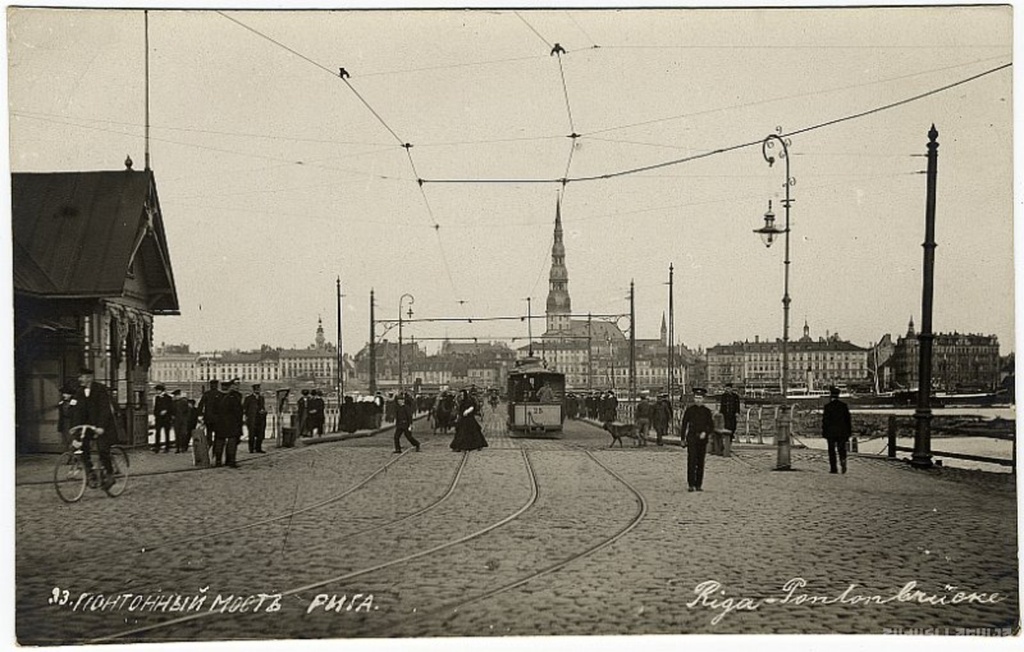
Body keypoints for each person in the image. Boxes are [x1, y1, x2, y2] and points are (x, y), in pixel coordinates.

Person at [68, 367, 116, 489]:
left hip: (103, 426)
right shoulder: (79, 392)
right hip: (87, 426)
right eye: (80, 377)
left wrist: (101, 427)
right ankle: (90, 473)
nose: (80, 379)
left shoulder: (100, 390)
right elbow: (75, 412)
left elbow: (105, 410)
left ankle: (110, 474)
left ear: (90, 378)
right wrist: (75, 429)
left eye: (82, 377)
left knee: (103, 450)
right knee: (81, 448)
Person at [680, 388, 714, 492]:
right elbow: (684, 424)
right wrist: (682, 439)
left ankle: (698, 484)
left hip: (702, 439)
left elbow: (711, 425)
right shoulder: (690, 410)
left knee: (700, 462)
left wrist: (706, 432)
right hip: (692, 438)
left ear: (703, 399)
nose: (698, 400)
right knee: (691, 461)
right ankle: (691, 484)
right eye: (696, 398)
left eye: (700, 398)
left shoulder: (707, 411)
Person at [822, 386, 853, 474]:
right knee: (842, 449)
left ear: (831, 395)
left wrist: (824, 432)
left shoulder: (828, 407)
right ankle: (843, 461)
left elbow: (825, 421)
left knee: (831, 450)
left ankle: (833, 468)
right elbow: (848, 420)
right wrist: (849, 432)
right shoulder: (844, 406)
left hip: (831, 432)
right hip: (842, 432)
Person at [213, 380, 243, 468]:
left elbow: (212, 410)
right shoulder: (234, 397)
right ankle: (231, 461)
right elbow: (238, 411)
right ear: (230, 387)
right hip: (232, 423)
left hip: (219, 423)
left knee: (219, 441)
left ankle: (218, 461)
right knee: (232, 442)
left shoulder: (216, 397)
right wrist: (239, 423)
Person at [197, 379, 221, 458]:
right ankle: (214, 452)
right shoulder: (219, 394)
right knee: (217, 436)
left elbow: (200, 405)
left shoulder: (206, 394)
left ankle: (209, 451)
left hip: (208, 418)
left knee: (209, 435)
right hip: (217, 419)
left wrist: (200, 415)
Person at [243, 384, 268, 453]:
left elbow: (262, 407)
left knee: (260, 434)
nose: (258, 390)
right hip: (252, 419)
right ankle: (251, 449)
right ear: (254, 390)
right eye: (257, 389)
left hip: (260, 419)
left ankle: (258, 448)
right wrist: (246, 417)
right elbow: (245, 408)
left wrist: (263, 411)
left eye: (259, 389)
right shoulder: (248, 398)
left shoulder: (261, 398)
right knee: (252, 434)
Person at [719, 382, 742, 456]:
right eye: (726, 388)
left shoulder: (735, 397)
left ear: (731, 389)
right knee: (725, 430)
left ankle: (729, 445)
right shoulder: (723, 396)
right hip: (725, 416)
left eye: (729, 388)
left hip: (732, 416)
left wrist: (737, 413)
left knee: (732, 429)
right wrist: (721, 414)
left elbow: (737, 406)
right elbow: (722, 406)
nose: (727, 390)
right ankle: (725, 446)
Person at [153, 384, 174, 453]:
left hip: (166, 418)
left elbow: (171, 408)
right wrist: (156, 414)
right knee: (157, 432)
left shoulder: (168, 398)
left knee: (166, 433)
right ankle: (157, 447)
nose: (156, 391)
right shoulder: (157, 398)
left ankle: (167, 447)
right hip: (159, 418)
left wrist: (166, 411)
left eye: (157, 390)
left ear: (161, 390)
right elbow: (155, 408)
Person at [57, 383, 76, 450]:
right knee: (65, 440)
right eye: (63, 393)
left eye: (66, 393)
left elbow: (72, 414)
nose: (64, 395)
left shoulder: (74, 402)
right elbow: (61, 415)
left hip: (72, 422)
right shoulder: (62, 403)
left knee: (72, 439)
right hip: (64, 423)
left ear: (70, 394)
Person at [173, 389, 191, 453]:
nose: (176, 396)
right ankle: (178, 448)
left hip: (182, 420)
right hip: (178, 420)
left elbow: (188, 411)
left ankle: (182, 447)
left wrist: (186, 419)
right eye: (175, 395)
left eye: (177, 395)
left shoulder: (184, 402)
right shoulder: (175, 402)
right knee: (178, 434)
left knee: (183, 434)